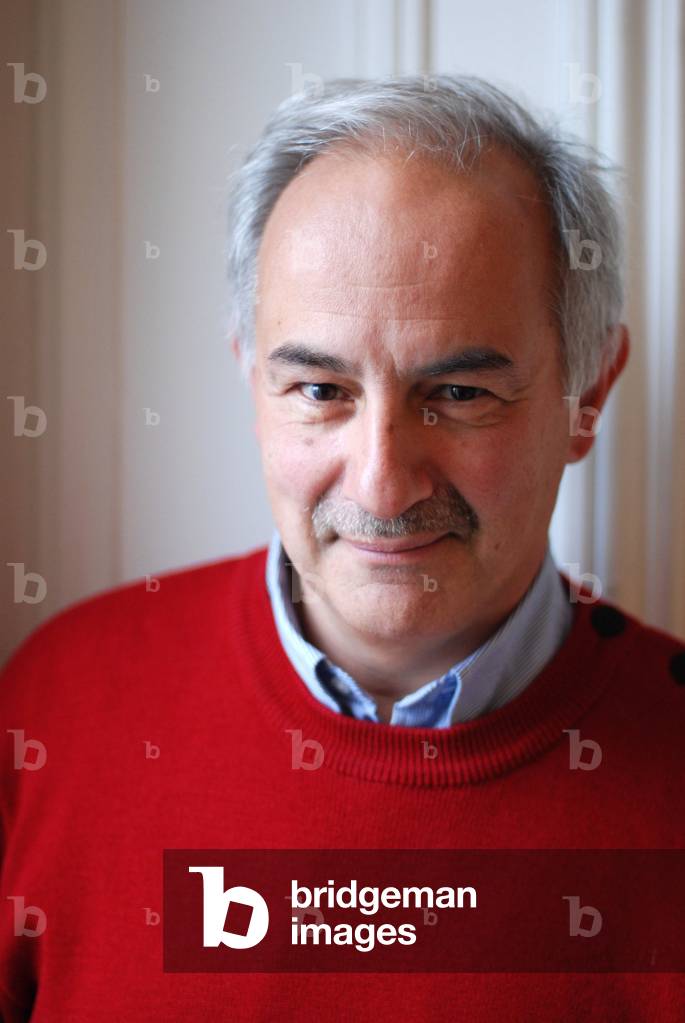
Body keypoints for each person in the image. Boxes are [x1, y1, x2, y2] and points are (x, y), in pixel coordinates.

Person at [1, 74, 683, 1020]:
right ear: (253, 381)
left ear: (588, 394)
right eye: (321, 390)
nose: (380, 483)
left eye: (460, 394)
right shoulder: (55, 709)